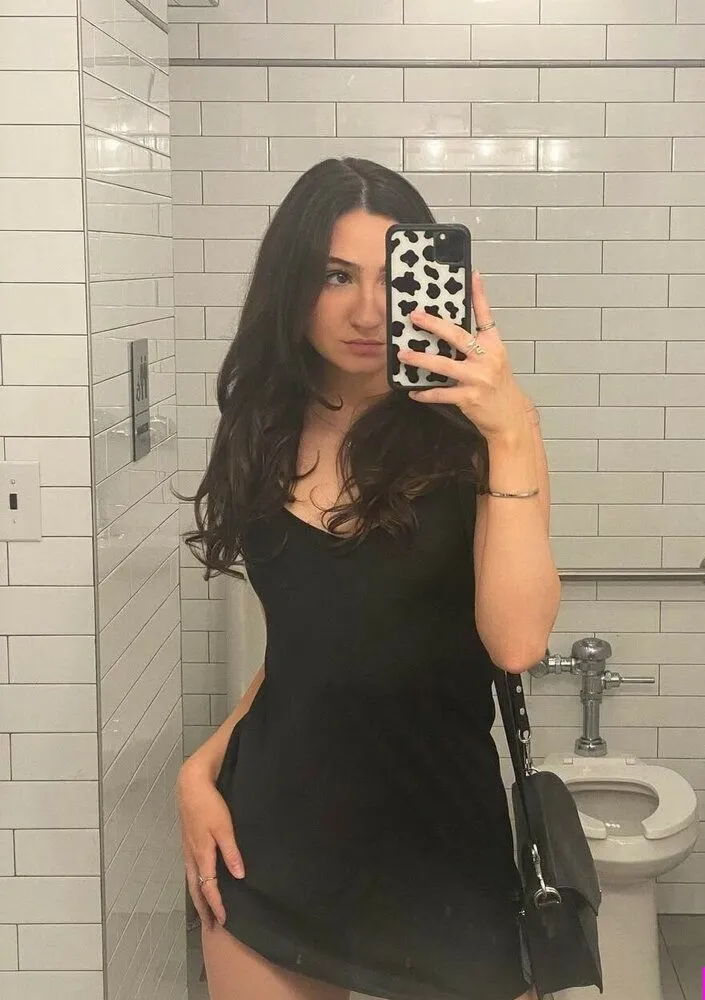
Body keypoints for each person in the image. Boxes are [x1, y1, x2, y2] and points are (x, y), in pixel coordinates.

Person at [175, 157, 561, 1000]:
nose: (366, 310)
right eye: (335, 276)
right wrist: (198, 770)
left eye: (392, 278)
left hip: (439, 855)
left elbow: (517, 640)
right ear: (291, 284)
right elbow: (306, 651)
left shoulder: (479, 436)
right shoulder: (262, 426)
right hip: (273, 845)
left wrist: (508, 433)